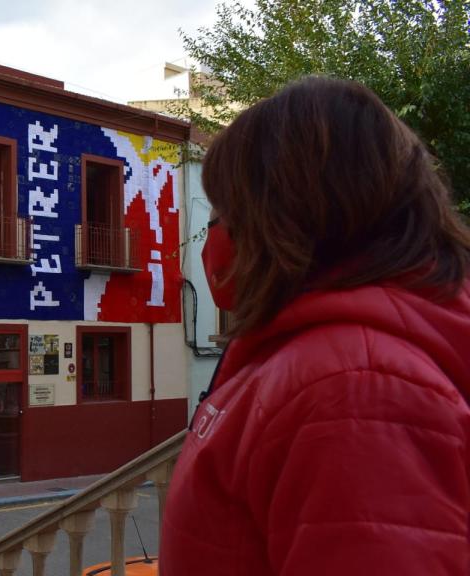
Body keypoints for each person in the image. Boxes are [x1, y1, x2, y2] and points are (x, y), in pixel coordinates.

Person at [161, 76, 470, 575]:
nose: (215, 233)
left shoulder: (355, 388)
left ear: (286, 210)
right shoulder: (327, 362)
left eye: (226, 209)